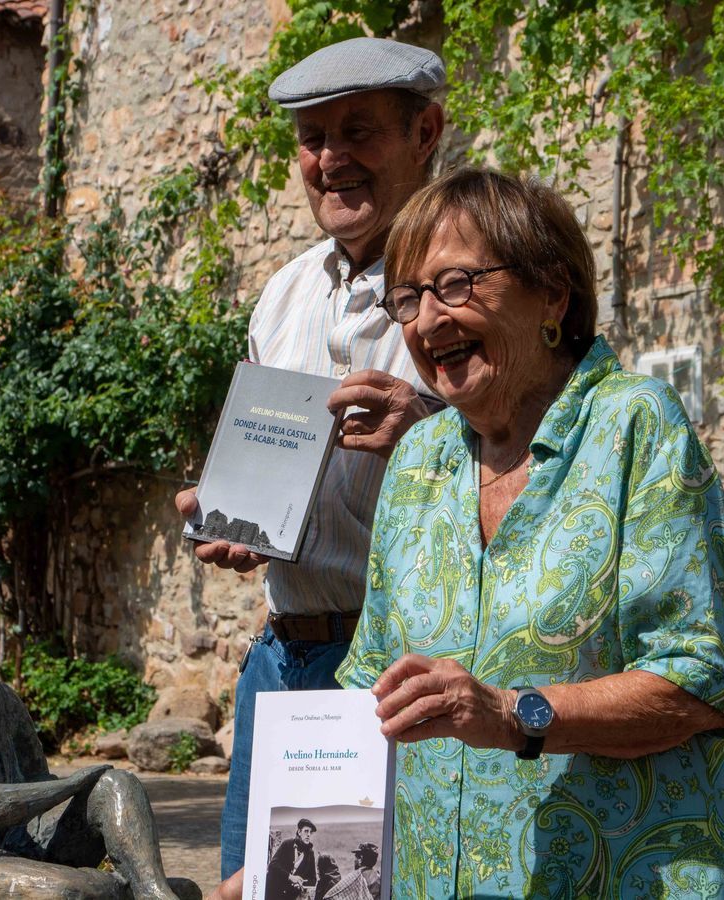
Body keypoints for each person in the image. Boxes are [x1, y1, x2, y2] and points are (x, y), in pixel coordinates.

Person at [336, 168, 724, 897]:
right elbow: (368, 681)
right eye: (407, 299)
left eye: (455, 285)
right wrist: (270, 859)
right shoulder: (419, 459)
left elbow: (696, 681)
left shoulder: (635, 424)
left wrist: (513, 714)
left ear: (552, 294)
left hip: (632, 876)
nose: (425, 321)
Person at [173, 37, 446, 895]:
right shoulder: (284, 292)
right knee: (252, 890)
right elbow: (266, 459)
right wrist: (230, 514)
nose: (331, 160)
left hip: (397, 674)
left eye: (358, 131)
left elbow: (537, 456)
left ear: (426, 131)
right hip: (282, 663)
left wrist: (428, 428)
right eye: (312, 138)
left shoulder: (469, 282)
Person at [0, 559, 197, 900]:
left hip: (17, 839)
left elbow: (37, 781)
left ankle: (154, 893)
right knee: (76, 892)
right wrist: (73, 783)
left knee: (117, 784)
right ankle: (115, 892)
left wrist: (77, 790)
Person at [266, 819, 319, 900]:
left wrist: (301, 884)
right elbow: (272, 865)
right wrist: (290, 877)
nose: (308, 834)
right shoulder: (287, 844)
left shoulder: (310, 853)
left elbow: (313, 879)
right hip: (273, 892)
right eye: (306, 831)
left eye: (310, 832)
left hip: (290, 896)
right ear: (299, 832)